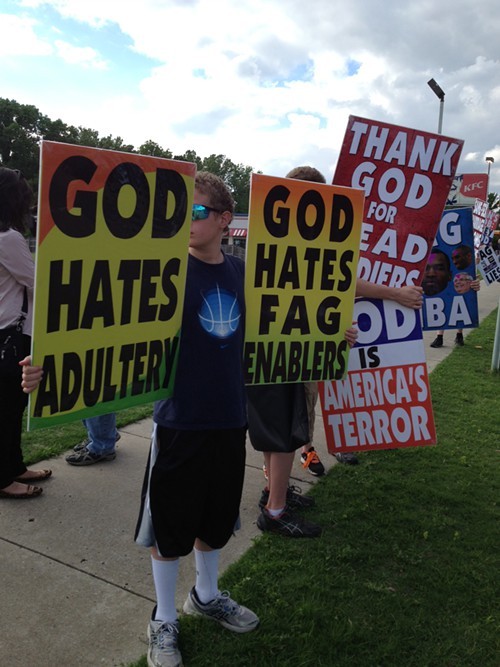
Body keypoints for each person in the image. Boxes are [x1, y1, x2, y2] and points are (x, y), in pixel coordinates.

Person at [21, 172, 259, 667]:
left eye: (194, 213)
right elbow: (100, 329)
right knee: (168, 528)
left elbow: (276, 327)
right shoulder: (162, 270)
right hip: (179, 422)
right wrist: (50, 366)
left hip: (229, 420)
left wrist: (323, 341)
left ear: (221, 219)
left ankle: (207, 594)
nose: (184, 223)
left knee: (215, 521)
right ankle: (164, 617)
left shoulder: (240, 273)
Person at [0, 167, 51, 499]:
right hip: (10, 336)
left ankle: (14, 466)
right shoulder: (9, 238)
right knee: (7, 408)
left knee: (13, 406)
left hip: (5, 332)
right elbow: (40, 282)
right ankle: (4, 479)